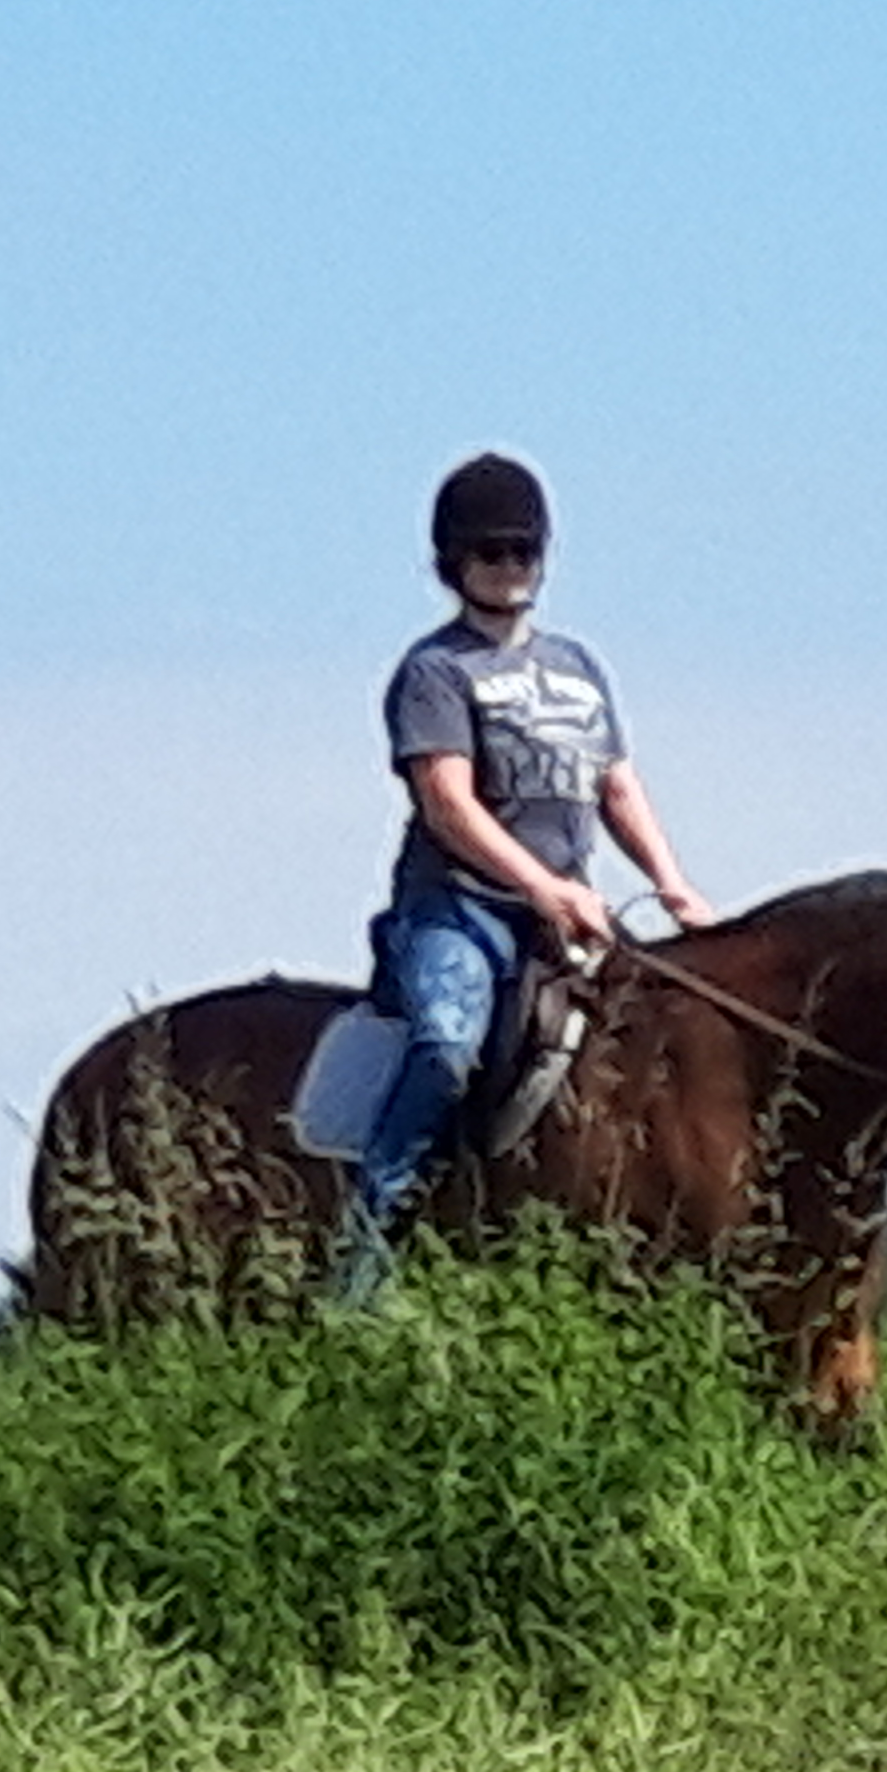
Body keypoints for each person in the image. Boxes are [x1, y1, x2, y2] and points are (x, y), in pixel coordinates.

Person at [339, 452, 714, 1295]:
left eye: (523, 553)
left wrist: (671, 879)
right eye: (492, 553)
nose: (510, 569)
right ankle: (370, 1241)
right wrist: (540, 886)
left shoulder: (579, 670)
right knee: (446, 1045)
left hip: (569, 916)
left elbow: (615, 783)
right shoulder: (434, 672)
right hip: (458, 909)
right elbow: (448, 805)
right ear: (454, 564)